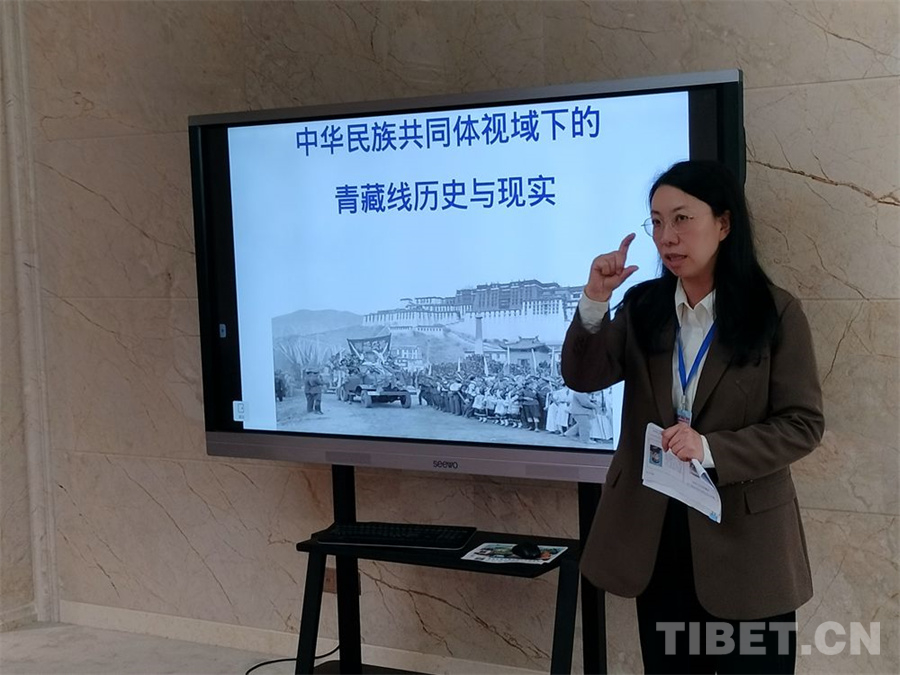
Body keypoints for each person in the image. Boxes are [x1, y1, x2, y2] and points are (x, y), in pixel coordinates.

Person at [562, 160, 824, 674]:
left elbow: (802, 423)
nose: (667, 237)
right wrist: (595, 300)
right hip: (659, 538)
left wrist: (711, 449)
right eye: (657, 222)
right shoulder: (644, 306)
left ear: (723, 224)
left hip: (746, 546)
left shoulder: (774, 312)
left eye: (682, 219)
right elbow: (583, 375)